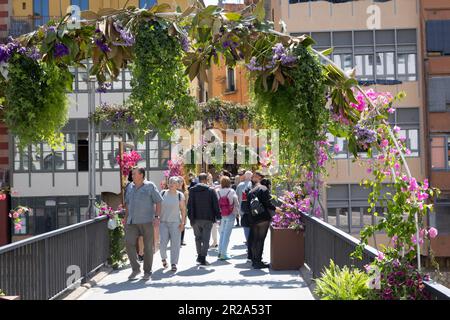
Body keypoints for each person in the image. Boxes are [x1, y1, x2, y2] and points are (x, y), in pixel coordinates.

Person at [124, 167, 163, 280]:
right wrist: (126, 218)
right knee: (128, 243)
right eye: (132, 174)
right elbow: (127, 203)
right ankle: (135, 269)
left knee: (148, 247)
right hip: (132, 222)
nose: (132, 175)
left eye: (134, 173)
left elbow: (158, 201)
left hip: (147, 221)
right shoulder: (130, 186)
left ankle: (147, 271)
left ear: (141, 175)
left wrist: (157, 217)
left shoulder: (150, 186)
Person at [247, 172, 280, 269]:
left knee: (254, 239)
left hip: (253, 218)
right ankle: (258, 261)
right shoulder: (264, 189)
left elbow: (247, 206)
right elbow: (267, 204)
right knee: (260, 239)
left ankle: (254, 260)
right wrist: (276, 209)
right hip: (263, 218)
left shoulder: (251, 191)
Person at [187, 173, 221, 266]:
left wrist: (190, 217)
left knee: (197, 238)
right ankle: (203, 257)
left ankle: (199, 255)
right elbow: (215, 205)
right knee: (206, 239)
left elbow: (189, 205)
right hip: (208, 218)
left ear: (199, 179)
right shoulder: (211, 190)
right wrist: (218, 216)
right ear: (206, 180)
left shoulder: (192, 190)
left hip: (195, 218)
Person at [159, 176, 186, 272]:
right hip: (163, 223)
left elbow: (183, 210)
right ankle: (163, 258)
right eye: (170, 182)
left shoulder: (180, 195)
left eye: (173, 183)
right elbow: (157, 206)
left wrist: (183, 222)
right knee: (162, 243)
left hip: (175, 223)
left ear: (178, 185)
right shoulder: (162, 193)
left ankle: (174, 263)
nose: (171, 184)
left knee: (175, 244)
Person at [216, 176, 239, 260]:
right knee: (227, 234)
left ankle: (219, 251)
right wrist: (237, 213)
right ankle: (223, 253)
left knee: (222, 233)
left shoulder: (217, 192)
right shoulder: (231, 191)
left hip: (221, 214)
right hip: (230, 214)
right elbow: (236, 203)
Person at [236, 171, 253, 245]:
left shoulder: (240, 185)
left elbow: (236, 197)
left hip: (242, 209)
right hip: (252, 209)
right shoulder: (253, 185)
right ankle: (251, 240)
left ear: (245, 176)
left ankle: (247, 239)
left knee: (245, 225)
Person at [177, 176, 189, 246]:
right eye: (179, 181)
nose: (180, 182)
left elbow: (187, 202)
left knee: (183, 224)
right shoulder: (175, 190)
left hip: (184, 210)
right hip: (176, 210)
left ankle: (181, 240)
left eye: (181, 181)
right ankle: (177, 239)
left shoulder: (185, 191)